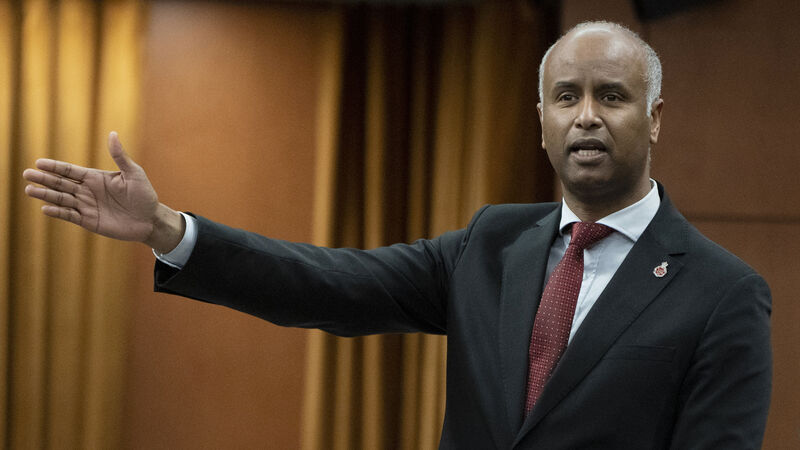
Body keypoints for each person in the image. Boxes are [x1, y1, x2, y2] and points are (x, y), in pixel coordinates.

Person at [22, 21, 771, 449]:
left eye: (612, 96)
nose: (586, 117)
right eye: (566, 96)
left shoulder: (722, 294)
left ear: (655, 118)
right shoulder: (492, 244)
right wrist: (167, 228)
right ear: (542, 118)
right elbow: (331, 284)